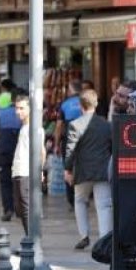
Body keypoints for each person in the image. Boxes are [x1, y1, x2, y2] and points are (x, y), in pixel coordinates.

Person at [64, 89, 113, 251]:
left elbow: (70, 150)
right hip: (102, 171)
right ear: (96, 104)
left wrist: (67, 169)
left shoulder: (75, 125)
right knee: (104, 205)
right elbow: (112, 148)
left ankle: (84, 236)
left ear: (80, 106)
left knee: (80, 201)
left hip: (83, 171)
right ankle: (104, 240)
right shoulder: (107, 125)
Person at [0, 80, 21, 222]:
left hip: (4, 150)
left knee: (5, 181)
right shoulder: (26, 115)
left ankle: (8, 209)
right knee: (21, 181)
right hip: (21, 152)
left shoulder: (1, 113)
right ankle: (21, 208)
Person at [54, 79, 83, 207]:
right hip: (86, 139)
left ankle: (72, 199)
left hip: (70, 139)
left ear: (70, 90)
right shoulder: (85, 102)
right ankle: (83, 196)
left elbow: (59, 126)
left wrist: (56, 143)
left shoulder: (65, 104)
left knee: (68, 168)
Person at [11, 95, 34, 234]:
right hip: (19, 171)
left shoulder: (33, 128)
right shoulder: (24, 127)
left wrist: (39, 171)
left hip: (26, 172)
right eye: (16, 108)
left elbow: (40, 152)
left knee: (26, 208)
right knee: (20, 209)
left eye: (22, 108)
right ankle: (29, 238)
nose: (18, 112)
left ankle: (31, 240)